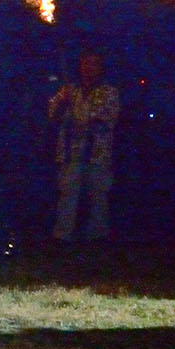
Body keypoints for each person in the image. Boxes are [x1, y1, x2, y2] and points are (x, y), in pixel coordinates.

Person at [48, 50, 120, 242]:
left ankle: (96, 235)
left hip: (98, 152)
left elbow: (110, 118)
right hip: (71, 152)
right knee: (68, 194)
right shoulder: (68, 90)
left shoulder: (109, 92)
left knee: (98, 196)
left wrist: (87, 125)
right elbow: (53, 115)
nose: (89, 67)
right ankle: (63, 235)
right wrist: (63, 103)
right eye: (86, 63)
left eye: (94, 63)